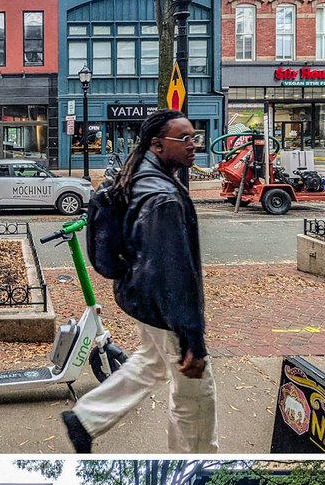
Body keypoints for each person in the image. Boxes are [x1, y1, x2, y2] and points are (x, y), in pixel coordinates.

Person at [61, 110, 217, 454]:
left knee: (152, 363)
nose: (194, 145)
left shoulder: (143, 176)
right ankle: (192, 459)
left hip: (144, 300)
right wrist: (193, 338)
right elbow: (174, 273)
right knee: (197, 398)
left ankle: (86, 418)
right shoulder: (162, 197)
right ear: (158, 145)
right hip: (164, 309)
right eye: (185, 139)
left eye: (196, 137)